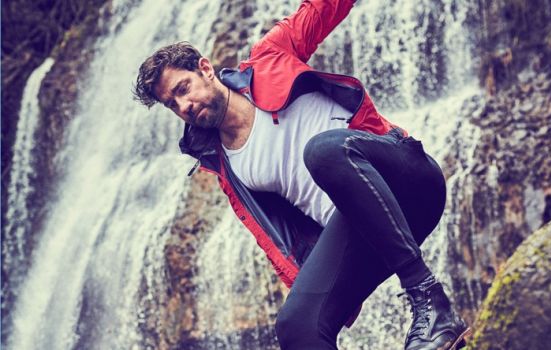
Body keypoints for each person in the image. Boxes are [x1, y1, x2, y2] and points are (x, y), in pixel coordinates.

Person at [133, 0, 469, 349]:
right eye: (172, 105)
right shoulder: (225, 163)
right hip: (367, 233)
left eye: (182, 89)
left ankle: (431, 303)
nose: (183, 106)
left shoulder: (269, 57)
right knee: (296, 325)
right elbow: (279, 239)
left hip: (408, 183)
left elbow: (326, 6)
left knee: (322, 151)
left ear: (205, 69)